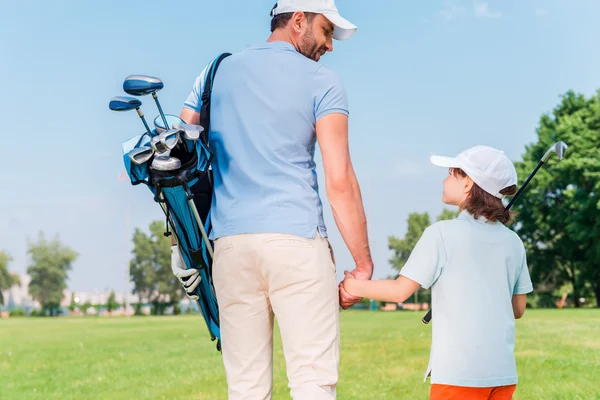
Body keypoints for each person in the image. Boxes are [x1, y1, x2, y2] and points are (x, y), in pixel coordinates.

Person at [173, 1, 373, 399]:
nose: (329, 46)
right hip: (296, 242)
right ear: (299, 21)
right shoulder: (323, 81)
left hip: (230, 247)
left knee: (245, 388)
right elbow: (340, 180)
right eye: (326, 31)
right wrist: (362, 264)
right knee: (313, 384)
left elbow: (180, 149)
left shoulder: (214, 73)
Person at [342, 145, 533, 400]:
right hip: (502, 375)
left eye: (451, 173)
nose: (444, 179)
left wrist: (352, 286)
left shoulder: (441, 234)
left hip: (459, 376)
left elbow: (400, 292)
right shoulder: (514, 242)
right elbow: (518, 309)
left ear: (468, 183)